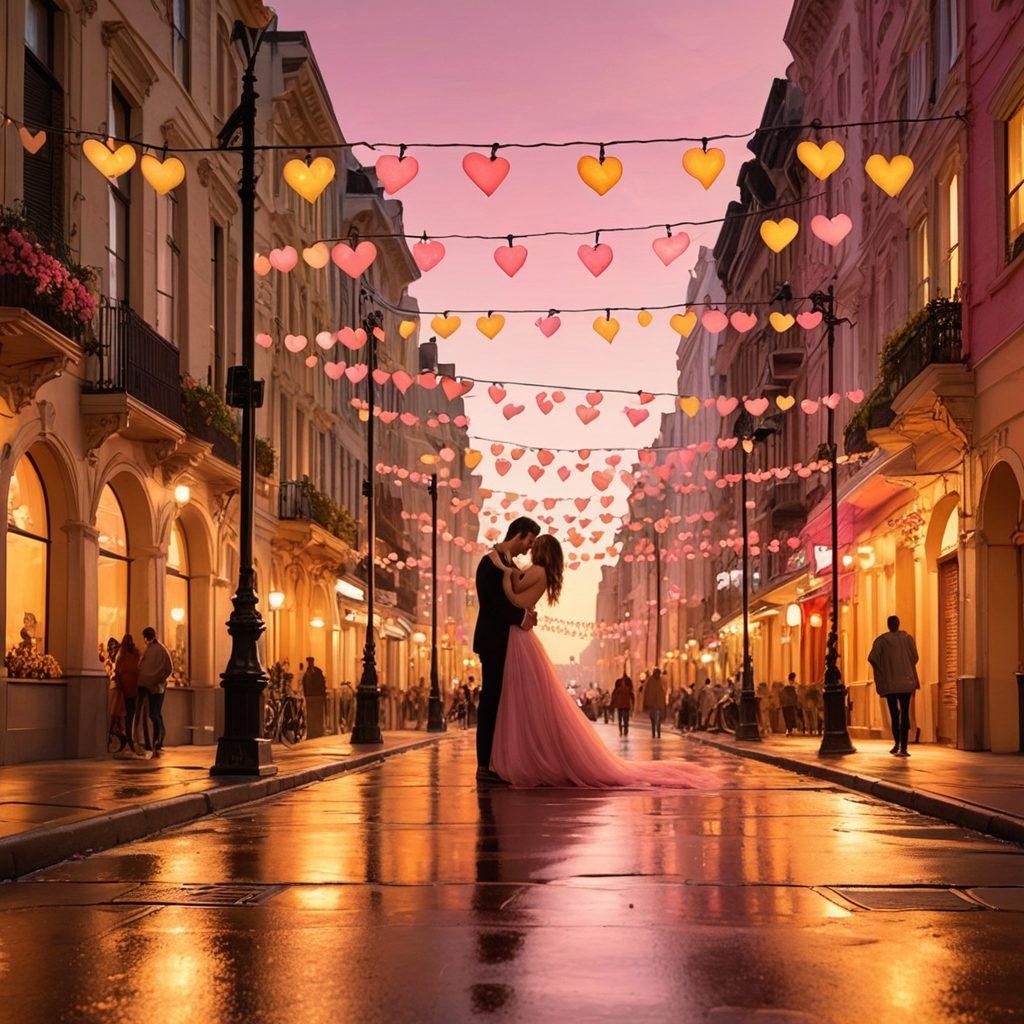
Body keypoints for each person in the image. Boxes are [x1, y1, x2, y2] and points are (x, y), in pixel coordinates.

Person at [487, 535, 705, 788]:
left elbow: (517, 600)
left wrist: (504, 570)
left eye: (534, 548)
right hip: (521, 633)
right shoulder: (540, 572)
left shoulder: (536, 571)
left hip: (520, 635)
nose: (530, 551)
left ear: (542, 551)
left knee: (519, 696)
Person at [472, 517, 541, 783]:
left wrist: (525, 611)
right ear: (520, 535)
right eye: (529, 542)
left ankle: (496, 762)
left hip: (504, 641)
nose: (529, 549)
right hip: (493, 640)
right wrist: (521, 617)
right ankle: (483, 766)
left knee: (502, 702)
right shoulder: (491, 562)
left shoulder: (509, 564)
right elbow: (492, 605)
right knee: (491, 700)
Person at [868, 615, 920, 757]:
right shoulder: (907, 639)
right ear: (898, 624)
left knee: (894, 714)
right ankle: (904, 748)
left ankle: (897, 743)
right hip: (906, 682)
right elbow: (915, 658)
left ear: (888, 625)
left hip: (890, 683)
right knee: (904, 713)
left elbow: (871, 658)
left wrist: (881, 669)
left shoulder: (881, 641)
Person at [138, 626, 173, 754]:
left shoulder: (151, 650)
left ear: (146, 637)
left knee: (153, 713)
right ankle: (157, 740)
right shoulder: (161, 649)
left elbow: (142, 666)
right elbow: (169, 668)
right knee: (155, 713)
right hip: (156, 685)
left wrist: (158, 679)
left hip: (153, 686)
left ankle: (156, 740)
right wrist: (160, 679)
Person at [114, 634, 141, 754]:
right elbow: (118, 671)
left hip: (132, 688)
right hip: (127, 688)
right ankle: (129, 738)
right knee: (128, 714)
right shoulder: (124, 655)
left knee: (130, 714)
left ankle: (130, 738)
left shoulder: (133, 654)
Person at [643, 667, 668, 738]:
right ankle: (656, 733)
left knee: (655, 719)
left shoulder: (654, 680)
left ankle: (656, 733)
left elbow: (647, 692)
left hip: (655, 703)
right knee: (655, 719)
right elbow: (648, 692)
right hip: (655, 703)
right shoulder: (654, 680)